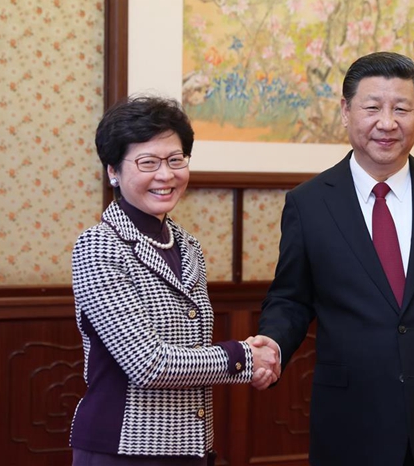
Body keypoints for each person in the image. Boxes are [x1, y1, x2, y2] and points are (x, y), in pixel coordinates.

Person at [254, 52, 414, 466]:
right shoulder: (308, 204)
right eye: (372, 107)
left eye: (402, 109)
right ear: (345, 111)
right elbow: (291, 299)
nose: (387, 123)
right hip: (351, 420)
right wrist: (271, 344)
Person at [70, 96, 279, 466]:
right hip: (123, 449)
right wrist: (245, 357)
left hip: (190, 445)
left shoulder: (186, 244)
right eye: (147, 162)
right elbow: (148, 363)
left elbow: (190, 347)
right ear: (113, 171)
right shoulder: (99, 246)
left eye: (175, 160)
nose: (165, 175)